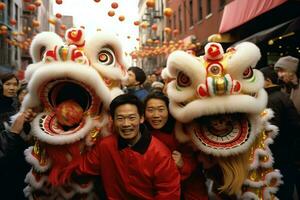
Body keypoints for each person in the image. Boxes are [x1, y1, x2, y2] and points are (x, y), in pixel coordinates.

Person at [53, 94, 181, 199]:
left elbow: (169, 194)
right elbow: (82, 168)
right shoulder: (105, 146)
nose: (126, 124)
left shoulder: (160, 153)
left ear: (141, 118)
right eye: (120, 118)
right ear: (112, 120)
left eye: (131, 118)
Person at [144, 92, 208, 200]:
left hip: (188, 187)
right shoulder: (141, 133)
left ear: (169, 111)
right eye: (150, 110)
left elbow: (194, 160)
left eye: (161, 109)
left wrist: (183, 164)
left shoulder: (181, 131)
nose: (156, 115)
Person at [260, 66, 300, 200]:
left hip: (282, 154)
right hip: (289, 151)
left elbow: (273, 131)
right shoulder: (281, 95)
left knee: (282, 190)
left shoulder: (272, 99)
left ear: (268, 80)